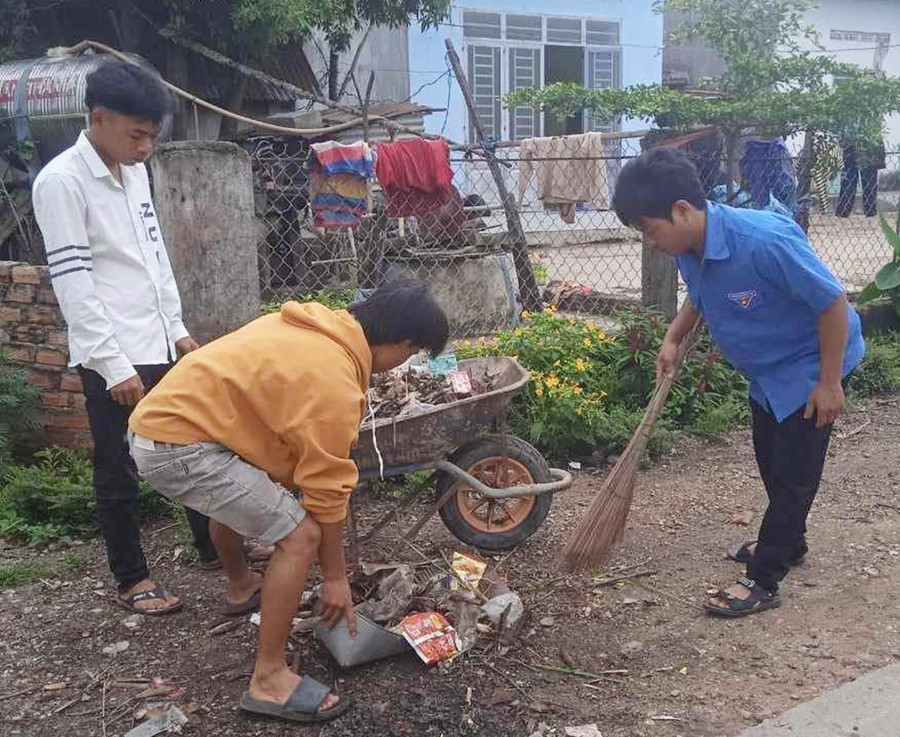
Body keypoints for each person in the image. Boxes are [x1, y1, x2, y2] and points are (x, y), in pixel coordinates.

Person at [127, 281, 448, 723]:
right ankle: (269, 680)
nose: (399, 367)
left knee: (252, 491)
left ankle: (242, 586)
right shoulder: (333, 379)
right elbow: (326, 495)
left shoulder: (318, 326)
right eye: (410, 354)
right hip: (179, 447)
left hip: (168, 423)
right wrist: (334, 577)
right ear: (400, 341)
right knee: (300, 537)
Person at [612, 147, 865, 618]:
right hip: (768, 371)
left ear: (682, 210)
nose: (648, 241)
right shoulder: (692, 244)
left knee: (794, 477)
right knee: (770, 458)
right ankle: (791, 543)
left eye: (649, 229)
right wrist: (672, 337)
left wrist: (829, 384)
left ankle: (764, 578)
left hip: (813, 360)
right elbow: (699, 294)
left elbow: (832, 304)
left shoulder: (762, 242)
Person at [31, 59, 217, 616]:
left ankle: (212, 548)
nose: (145, 148)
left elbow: (154, 256)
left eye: (153, 137)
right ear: (99, 117)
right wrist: (113, 365)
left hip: (159, 340)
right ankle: (132, 578)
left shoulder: (134, 173)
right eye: (137, 135)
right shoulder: (61, 182)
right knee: (118, 465)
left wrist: (179, 329)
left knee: (192, 446)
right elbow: (74, 282)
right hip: (112, 354)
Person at [836, 136, 886, 218]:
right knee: (852, 181)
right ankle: (869, 212)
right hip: (862, 145)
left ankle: (843, 212)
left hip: (863, 146)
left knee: (854, 181)